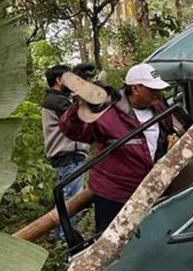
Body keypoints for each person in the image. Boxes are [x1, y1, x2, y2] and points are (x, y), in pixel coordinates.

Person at [59, 63, 174, 233]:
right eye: (152, 89)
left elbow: (165, 135)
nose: (158, 93)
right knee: (112, 243)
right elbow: (72, 130)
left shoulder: (158, 107)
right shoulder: (107, 112)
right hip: (114, 194)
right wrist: (80, 102)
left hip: (150, 188)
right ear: (136, 88)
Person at [42, 64, 91, 237]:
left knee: (66, 198)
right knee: (71, 201)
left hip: (69, 156)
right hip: (68, 157)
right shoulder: (56, 101)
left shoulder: (58, 98)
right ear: (58, 80)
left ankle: (60, 236)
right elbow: (81, 114)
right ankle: (65, 239)